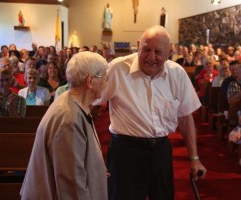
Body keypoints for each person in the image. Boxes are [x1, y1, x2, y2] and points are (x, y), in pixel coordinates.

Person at [100, 25, 207, 200]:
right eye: (146, 49)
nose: (151, 57)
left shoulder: (177, 74)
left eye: (158, 52)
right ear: (138, 45)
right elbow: (89, 104)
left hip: (160, 151)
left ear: (170, 52)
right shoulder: (117, 69)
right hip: (125, 152)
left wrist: (194, 158)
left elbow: (185, 116)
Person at [20, 52, 109, 199]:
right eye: (105, 78)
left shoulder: (71, 101)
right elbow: (72, 187)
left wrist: (96, 169)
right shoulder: (69, 120)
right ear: (90, 81)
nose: (106, 83)